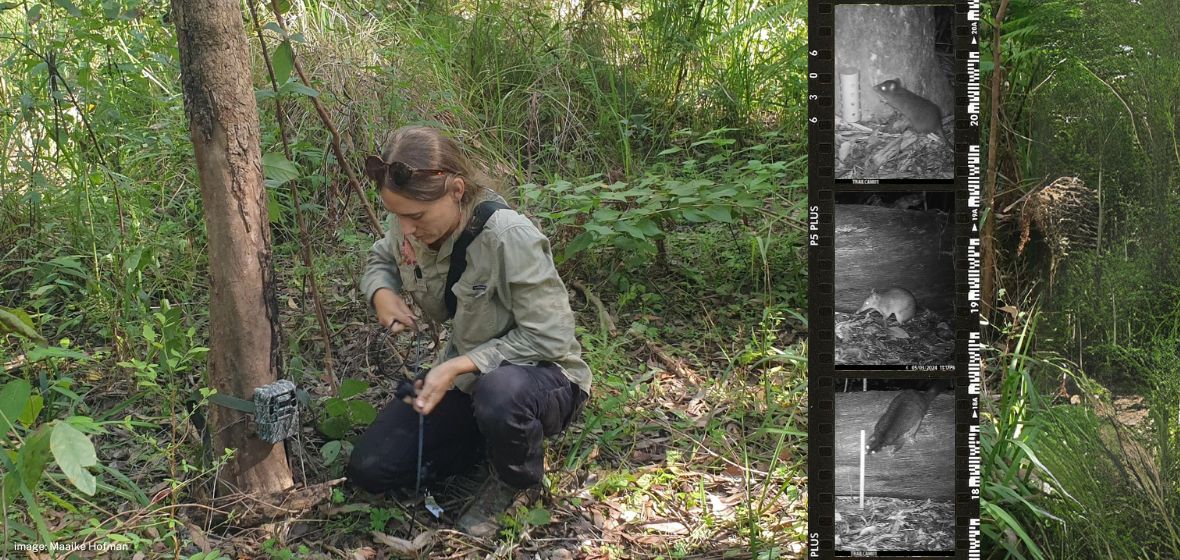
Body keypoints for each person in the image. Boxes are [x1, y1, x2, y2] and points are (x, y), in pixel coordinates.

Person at [346, 126, 592, 538]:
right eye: (397, 215)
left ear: (456, 190)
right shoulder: (409, 223)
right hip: (466, 378)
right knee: (371, 468)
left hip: (543, 379)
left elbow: (550, 338)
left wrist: (458, 364)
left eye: (416, 216)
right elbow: (380, 258)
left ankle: (518, 483)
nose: (405, 228)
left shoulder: (508, 236)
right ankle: (487, 440)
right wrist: (382, 292)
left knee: (501, 394)